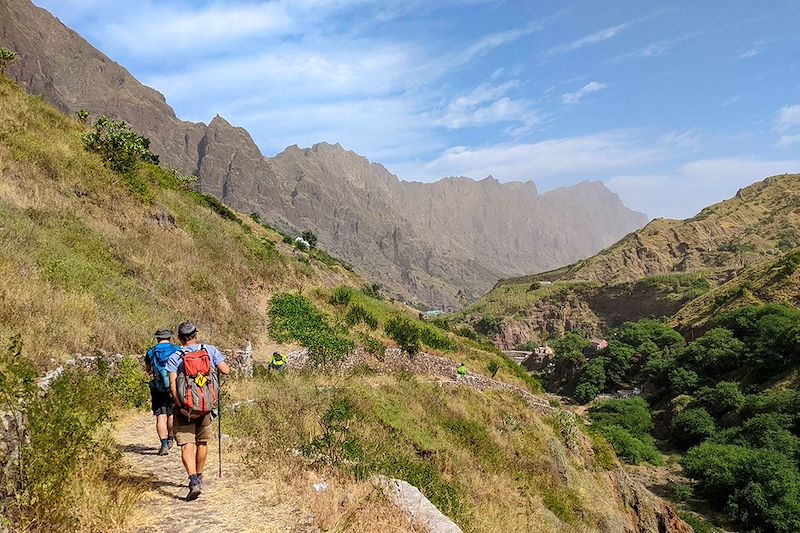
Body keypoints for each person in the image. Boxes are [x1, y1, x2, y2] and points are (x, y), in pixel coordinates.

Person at [166, 322, 230, 501]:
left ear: (179, 338)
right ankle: (200, 475)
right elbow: (226, 370)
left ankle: (193, 480)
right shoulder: (210, 350)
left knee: (187, 444)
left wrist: (180, 405)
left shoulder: (175, 356)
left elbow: (172, 385)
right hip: (205, 406)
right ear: (196, 334)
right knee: (202, 443)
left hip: (184, 407)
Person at [144, 329, 181, 455]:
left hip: (158, 388)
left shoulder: (151, 352)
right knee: (171, 414)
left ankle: (163, 444)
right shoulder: (176, 350)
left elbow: (148, 370)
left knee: (160, 416)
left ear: (157, 338)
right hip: (173, 386)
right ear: (169, 338)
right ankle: (171, 438)